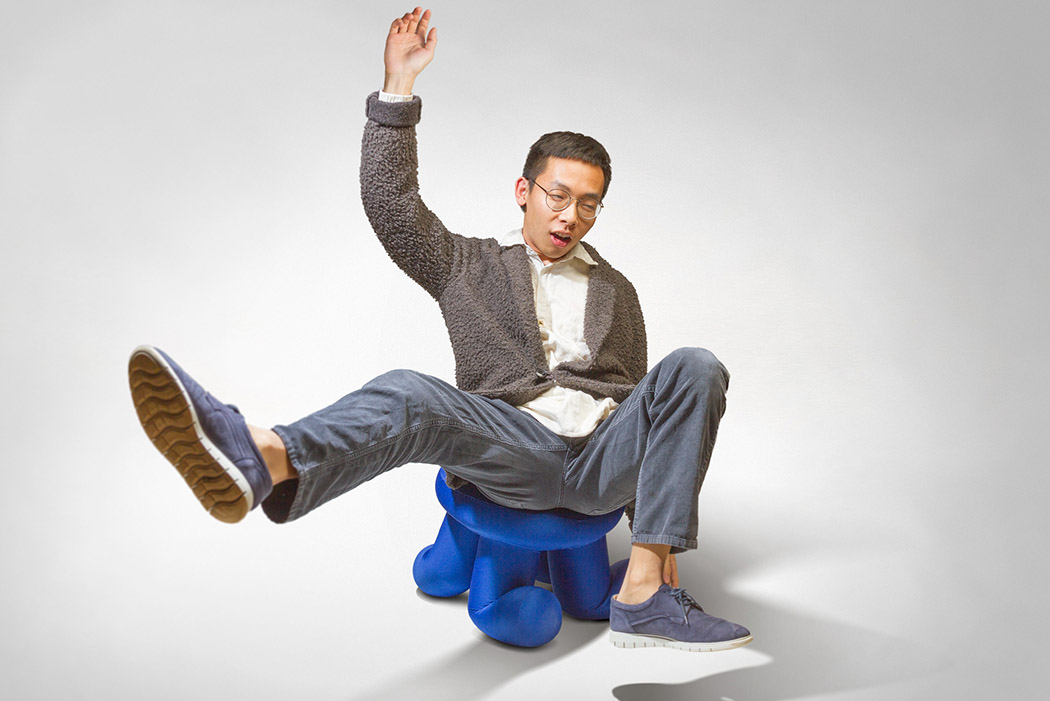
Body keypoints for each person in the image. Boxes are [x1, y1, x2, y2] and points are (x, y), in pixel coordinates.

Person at [128, 7, 751, 652]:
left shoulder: (618, 291)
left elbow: (648, 411)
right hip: (515, 449)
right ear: (524, 190)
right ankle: (265, 457)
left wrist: (654, 535)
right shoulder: (468, 264)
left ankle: (645, 596)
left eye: (588, 205)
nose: (571, 216)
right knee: (411, 392)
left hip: (599, 461)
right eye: (559, 196)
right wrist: (398, 87)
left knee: (696, 365)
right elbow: (392, 206)